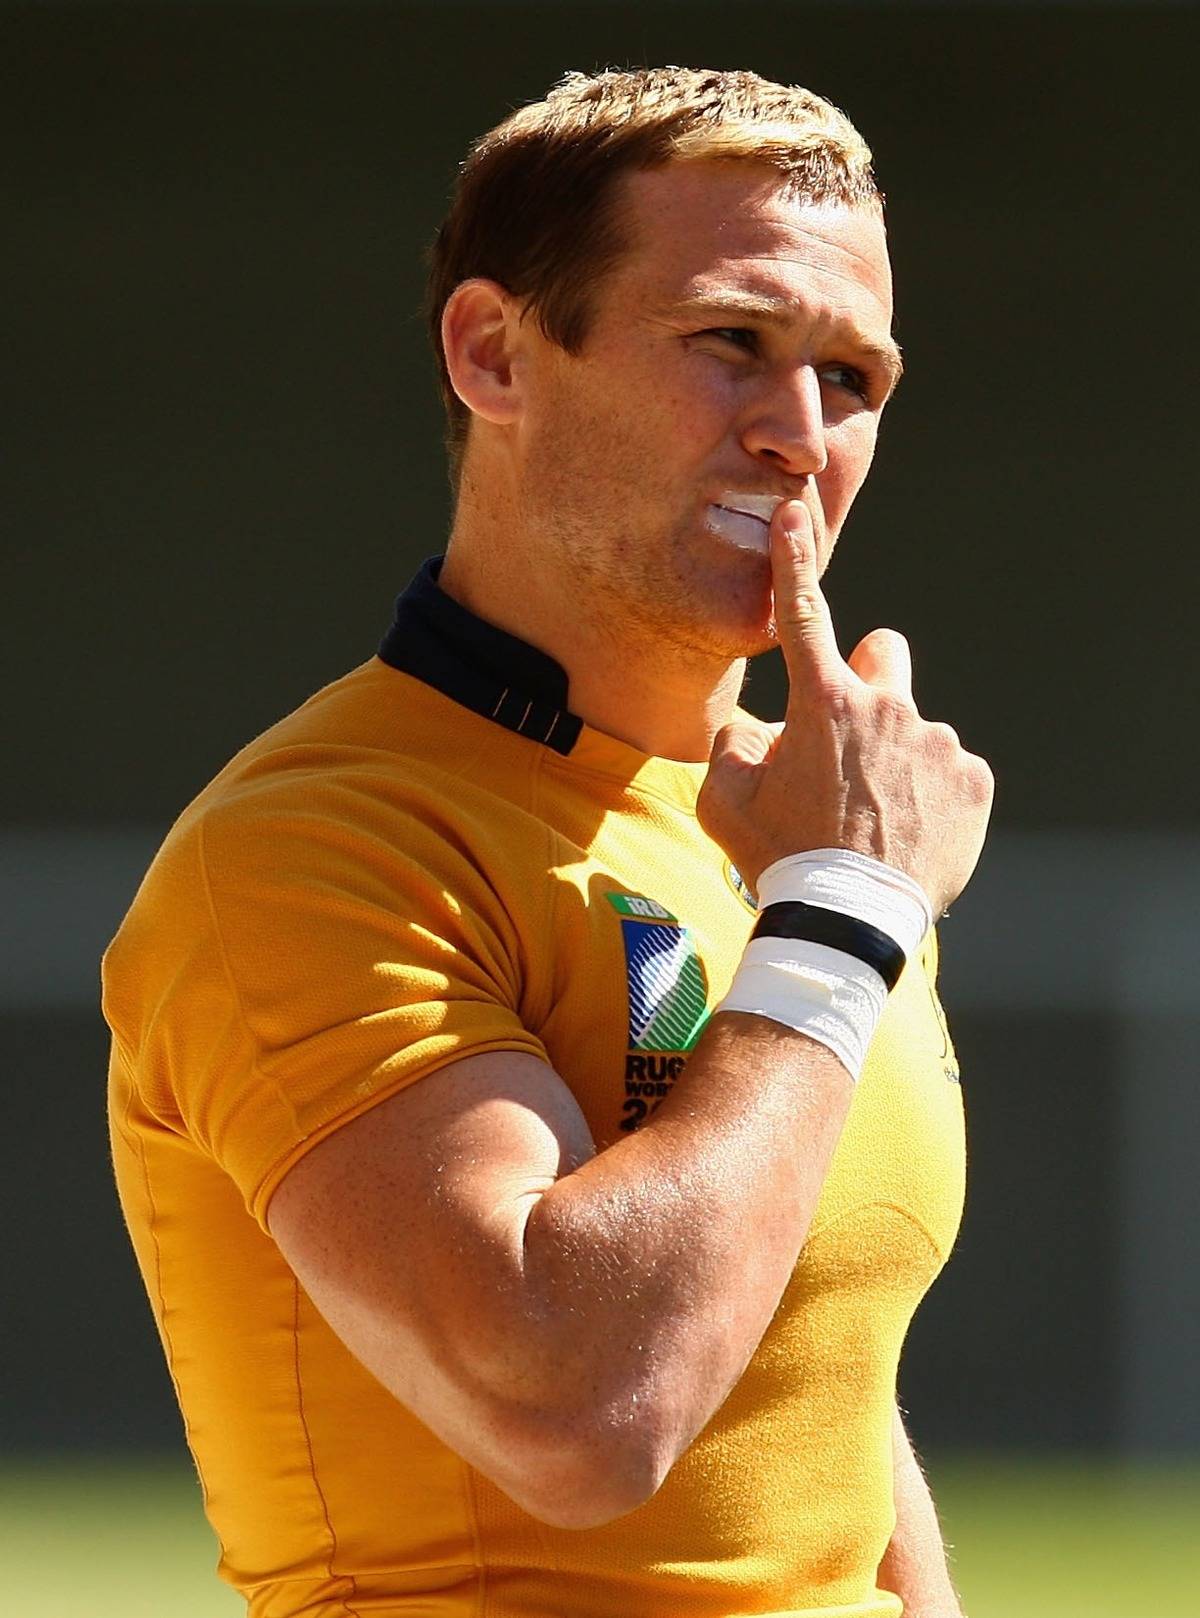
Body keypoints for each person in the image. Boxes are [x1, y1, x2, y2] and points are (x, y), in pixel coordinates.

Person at [103, 66, 993, 1618]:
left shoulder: (796, 840)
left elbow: (823, 1382)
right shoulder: (307, 845)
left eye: (852, 380)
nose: (801, 435)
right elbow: (579, 1410)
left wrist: (833, 896)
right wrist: (848, 911)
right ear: (493, 352)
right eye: (734, 342)